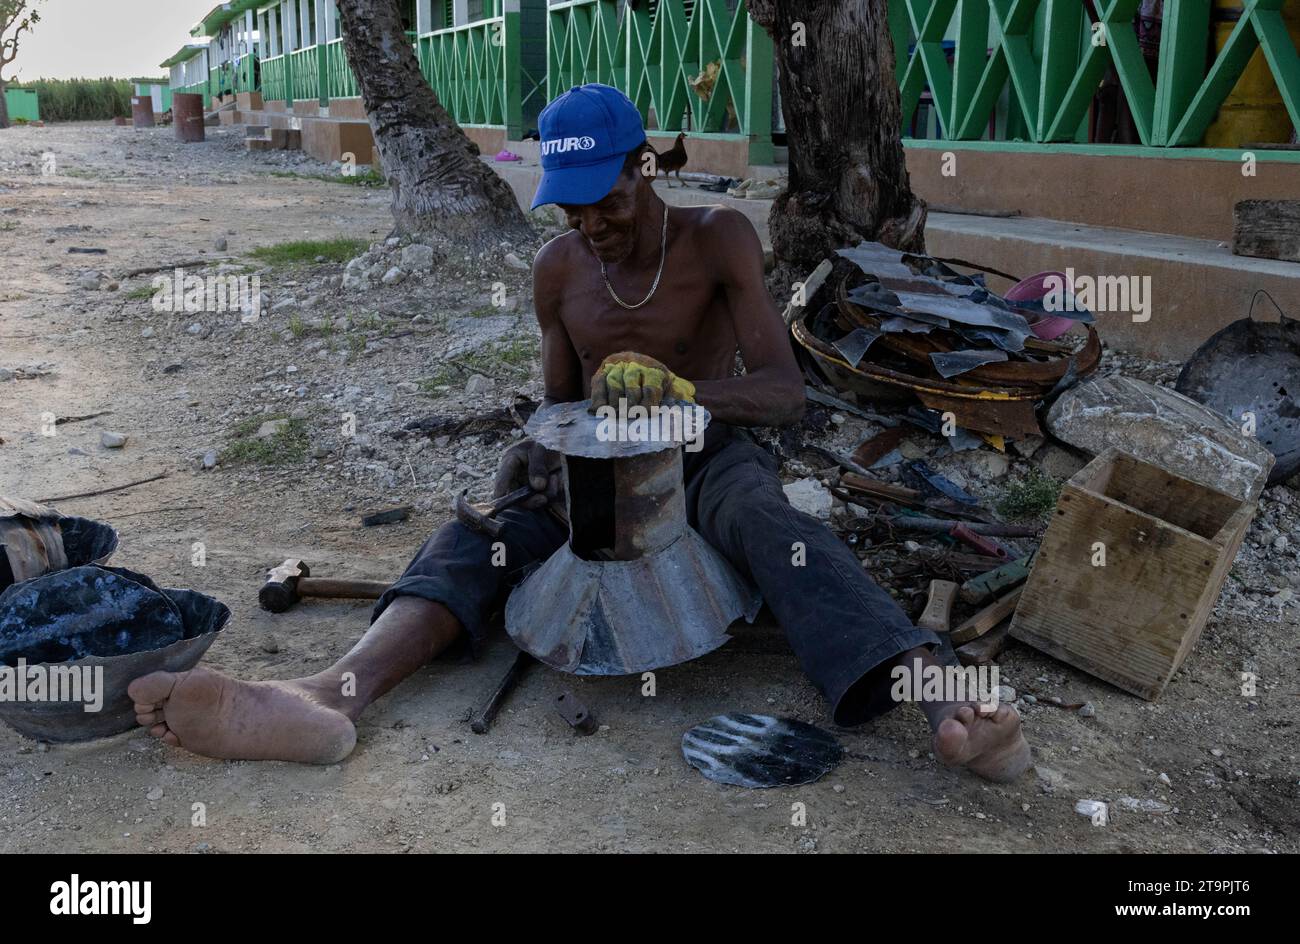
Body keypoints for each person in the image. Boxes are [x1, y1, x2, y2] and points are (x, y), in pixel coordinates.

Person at [128, 84, 1030, 782]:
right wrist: (531, 456)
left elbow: (786, 391)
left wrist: (686, 392)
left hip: (700, 455)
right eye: (571, 206)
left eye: (606, 199)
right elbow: (557, 405)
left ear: (646, 165)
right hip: (588, 463)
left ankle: (944, 698)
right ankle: (328, 695)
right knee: (474, 536)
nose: (591, 224)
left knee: (771, 527)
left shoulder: (719, 239)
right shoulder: (558, 268)